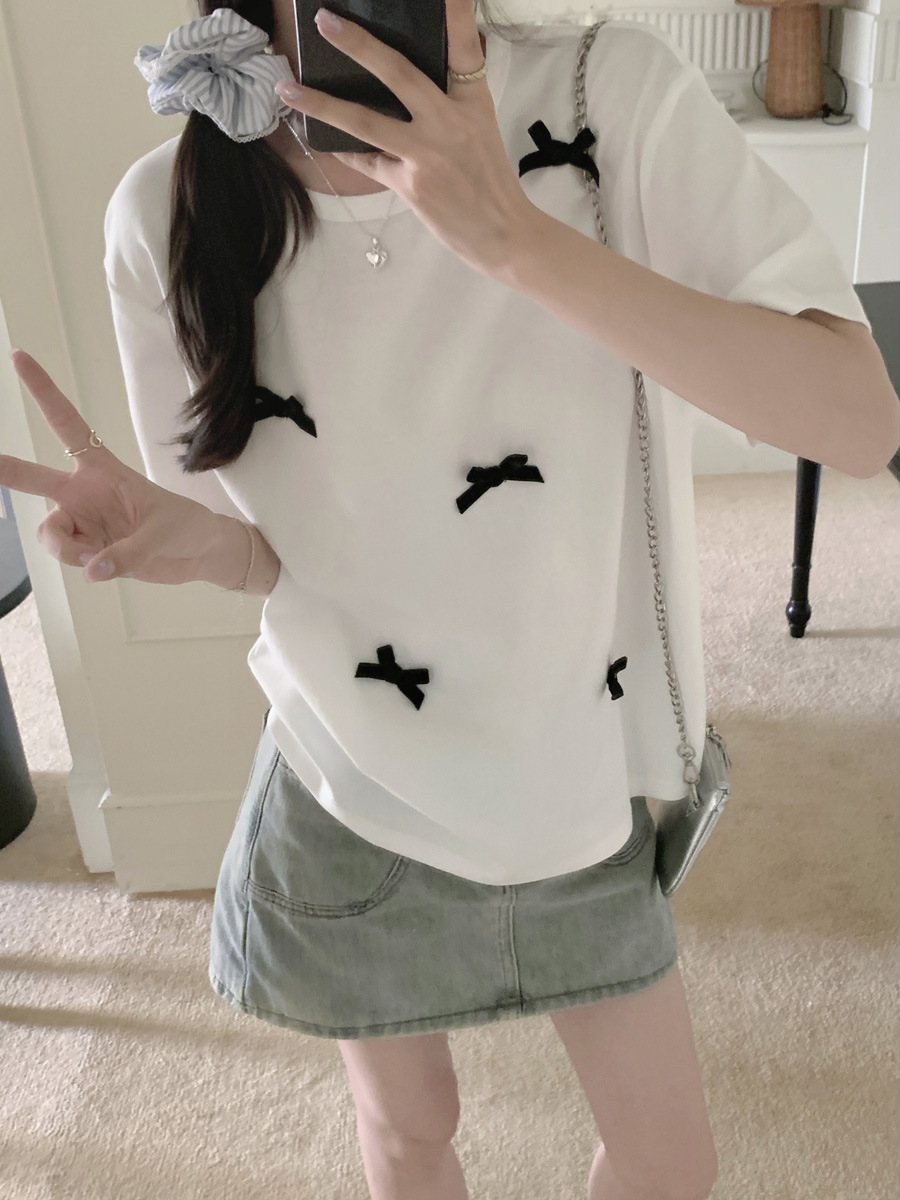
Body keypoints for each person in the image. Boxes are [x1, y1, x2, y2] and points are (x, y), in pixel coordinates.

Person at [5, 2, 895, 1198]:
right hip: (350, 775)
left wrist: (514, 237)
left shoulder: (608, 97)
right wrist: (190, 543)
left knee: (669, 1157)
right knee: (408, 1129)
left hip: (572, 775)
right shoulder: (166, 208)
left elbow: (858, 423)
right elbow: (272, 559)